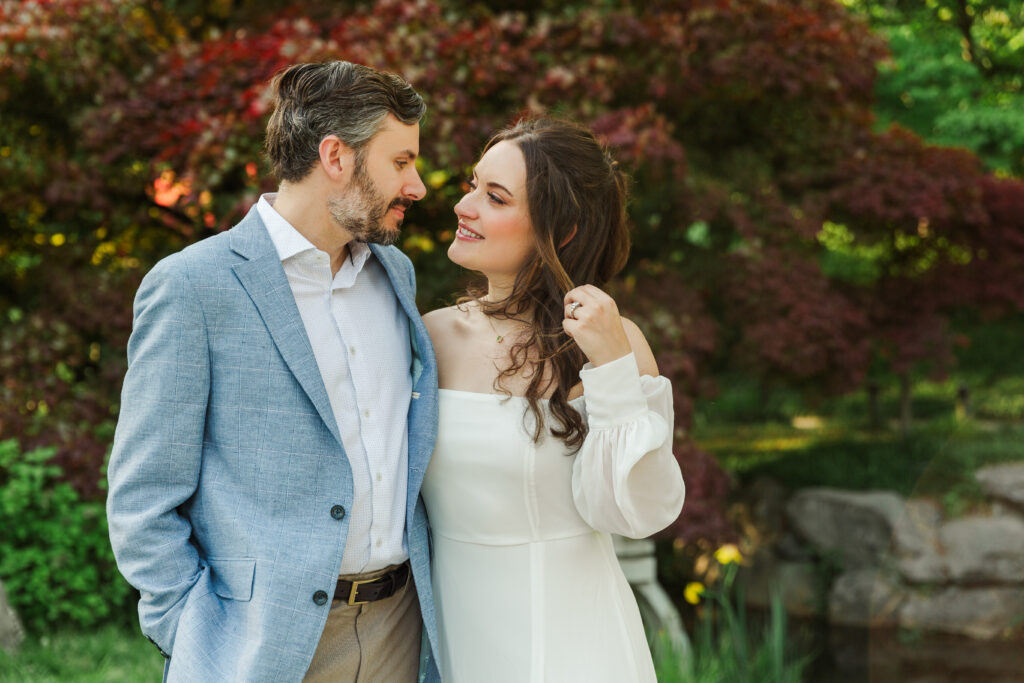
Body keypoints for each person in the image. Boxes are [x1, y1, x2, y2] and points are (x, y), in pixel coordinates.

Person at [106, 61, 442, 682]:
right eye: (401, 162)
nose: (417, 185)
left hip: (402, 626)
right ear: (335, 156)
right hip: (262, 645)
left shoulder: (396, 276)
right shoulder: (193, 286)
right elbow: (142, 495)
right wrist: (189, 626)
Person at [421, 118, 686, 682]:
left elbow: (635, 512)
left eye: (494, 197)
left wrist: (612, 369)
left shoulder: (611, 342)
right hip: (450, 637)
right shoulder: (430, 336)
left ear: (559, 230)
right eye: (473, 186)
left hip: (571, 641)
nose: (464, 206)